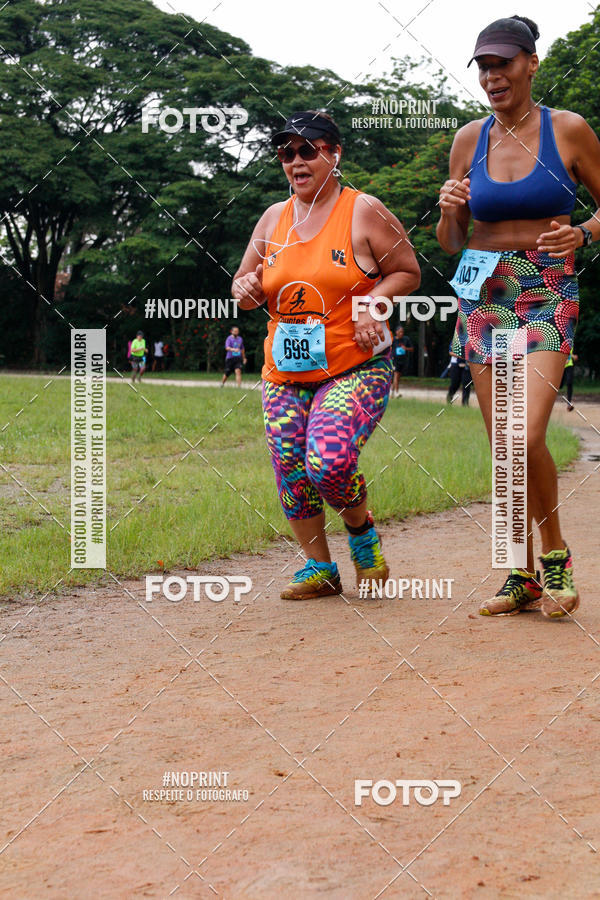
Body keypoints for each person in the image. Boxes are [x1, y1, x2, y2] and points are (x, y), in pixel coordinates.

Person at [437, 15, 600, 618]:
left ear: (532, 63)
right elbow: (452, 241)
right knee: (500, 444)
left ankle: (554, 555)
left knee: (524, 432)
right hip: (481, 290)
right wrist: (451, 209)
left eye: (503, 62)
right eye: (483, 65)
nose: (492, 75)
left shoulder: (570, 130)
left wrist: (583, 231)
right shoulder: (467, 139)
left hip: (545, 286)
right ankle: (518, 571)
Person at [232, 110, 420, 600]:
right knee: (291, 468)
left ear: (334, 154)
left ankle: (361, 532)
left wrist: (374, 304)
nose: (296, 160)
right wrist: (247, 287)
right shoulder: (273, 218)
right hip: (285, 372)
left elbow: (406, 270)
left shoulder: (363, 211)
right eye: (286, 153)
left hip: (355, 364)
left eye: (307, 149)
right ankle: (320, 568)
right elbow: (243, 288)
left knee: (329, 461)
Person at [391, 326, 413, 397]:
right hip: (395, 360)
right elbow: (389, 349)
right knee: (396, 375)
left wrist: (406, 348)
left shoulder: (406, 339)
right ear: (396, 332)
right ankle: (397, 392)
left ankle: (392, 392)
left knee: (397, 377)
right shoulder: (393, 340)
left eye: (402, 332)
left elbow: (412, 349)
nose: (401, 333)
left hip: (403, 360)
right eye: (400, 332)